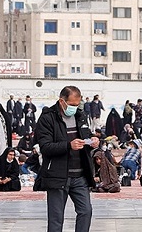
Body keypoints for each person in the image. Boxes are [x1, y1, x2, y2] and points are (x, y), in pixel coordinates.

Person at [36, 86, 97, 232]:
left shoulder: (80, 116)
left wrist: (92, 142)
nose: (75, 108)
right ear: (62, 101)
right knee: (56, 219)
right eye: (72, 105)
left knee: (86, 211)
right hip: (58, 176)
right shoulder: (47, 118)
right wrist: (68, 145)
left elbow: (85, 136)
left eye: (77, 104)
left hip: (80, 175)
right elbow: (45, 147)